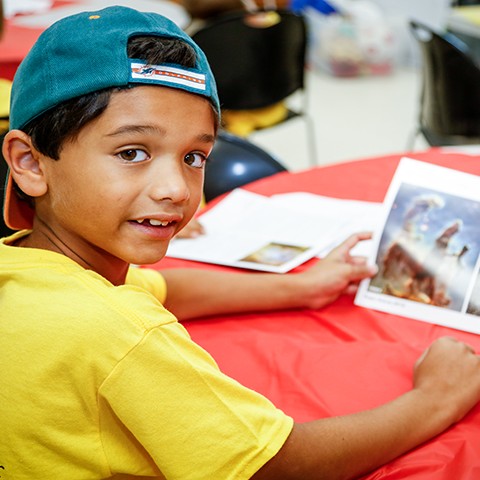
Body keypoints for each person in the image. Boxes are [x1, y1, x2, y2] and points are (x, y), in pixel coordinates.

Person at [1, 6, 480, 479]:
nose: (176, 188)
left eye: (193, 156)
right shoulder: (119, 333)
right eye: (132, 152)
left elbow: (163, 290)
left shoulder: (29, 270)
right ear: (30, 162)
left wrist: (300, 289)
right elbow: (278, 466)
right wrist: (435, 398)